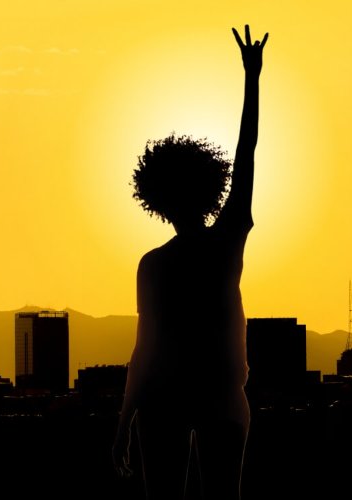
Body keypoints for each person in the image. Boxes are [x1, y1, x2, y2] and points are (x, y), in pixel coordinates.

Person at [112, 25, 267, 499]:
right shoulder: (225, 242)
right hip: (217, 397)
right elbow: (246, 156)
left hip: (166, 400)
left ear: (158, 200)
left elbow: (143, 354)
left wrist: (123, 422)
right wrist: (252, 79)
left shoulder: (155, 264)